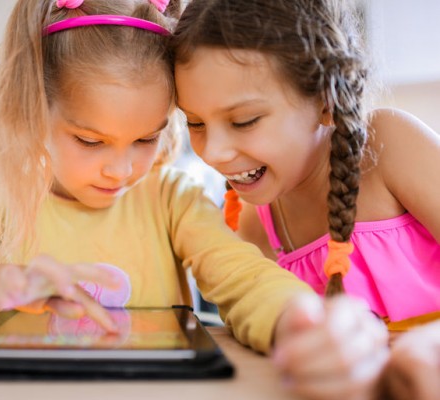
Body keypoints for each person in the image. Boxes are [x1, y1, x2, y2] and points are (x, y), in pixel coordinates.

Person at [0, 0, 326, 356]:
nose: (122, 168)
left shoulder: (172, 200)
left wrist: (307, 325)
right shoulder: (1, 208)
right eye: (90, 141)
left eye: (146, 138)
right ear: (34, 113)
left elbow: (246, 278)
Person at [170, 0, 439, 398]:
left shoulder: (389, 145)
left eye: (244, 121)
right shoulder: (254, 224)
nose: (214, 152)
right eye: (195, 122)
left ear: (326, 100)